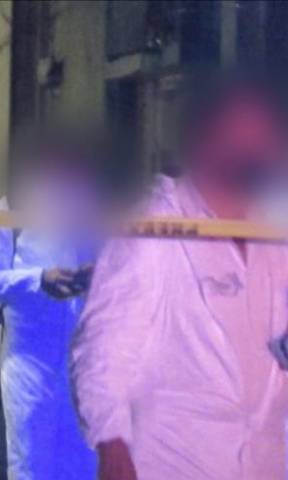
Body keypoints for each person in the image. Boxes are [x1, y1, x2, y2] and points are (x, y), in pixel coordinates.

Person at [71, 74, 288, 480]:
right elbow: (105, 345)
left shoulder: (275, 224)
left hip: (264, 462)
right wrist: (112, 443)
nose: (262, 149)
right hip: (174, 459)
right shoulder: (156, 222)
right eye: (247, 136)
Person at [0, 133, 100, 480]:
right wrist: (39, 280)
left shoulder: (91, 206)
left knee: (82, 464)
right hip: (29, 358)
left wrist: (96, 274)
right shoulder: (12, 206)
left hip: (82, 360)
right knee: (31, 463)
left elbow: (115, 269)